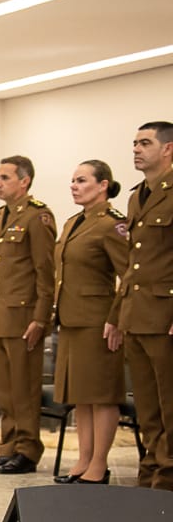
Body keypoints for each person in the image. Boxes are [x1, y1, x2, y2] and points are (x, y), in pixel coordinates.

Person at [0, 155, 55, 476]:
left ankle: (27, 450)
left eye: (5, 178)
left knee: (24, 389)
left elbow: (46, 271)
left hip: (25, 318)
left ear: (24, 181)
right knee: (5, 391)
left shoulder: (38, 218)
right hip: (0, 315)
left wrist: (41, 318)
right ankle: (7, 447)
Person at [53, 160, 131, 484]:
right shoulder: (73, 222)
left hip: (98, 321)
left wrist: (116, 319)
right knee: (81, 395)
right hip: (71, 319)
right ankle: (83, 459)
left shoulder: (112, 224)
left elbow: (129, 276)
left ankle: (99, 463)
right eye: (72, 180)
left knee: (102, 395)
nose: (74, 185)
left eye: (82, 180)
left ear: (103, 185)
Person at [110, 121, 173, 491]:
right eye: (134, 142)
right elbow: (133, 265)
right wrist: (118, 314)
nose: (136, 148)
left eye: (145, 143)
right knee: (148, 407)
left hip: (165, 315)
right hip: (138, 314)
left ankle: (167, 479)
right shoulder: (137, 196)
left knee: (170, 405)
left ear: (168, 149)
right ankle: (151, 470)